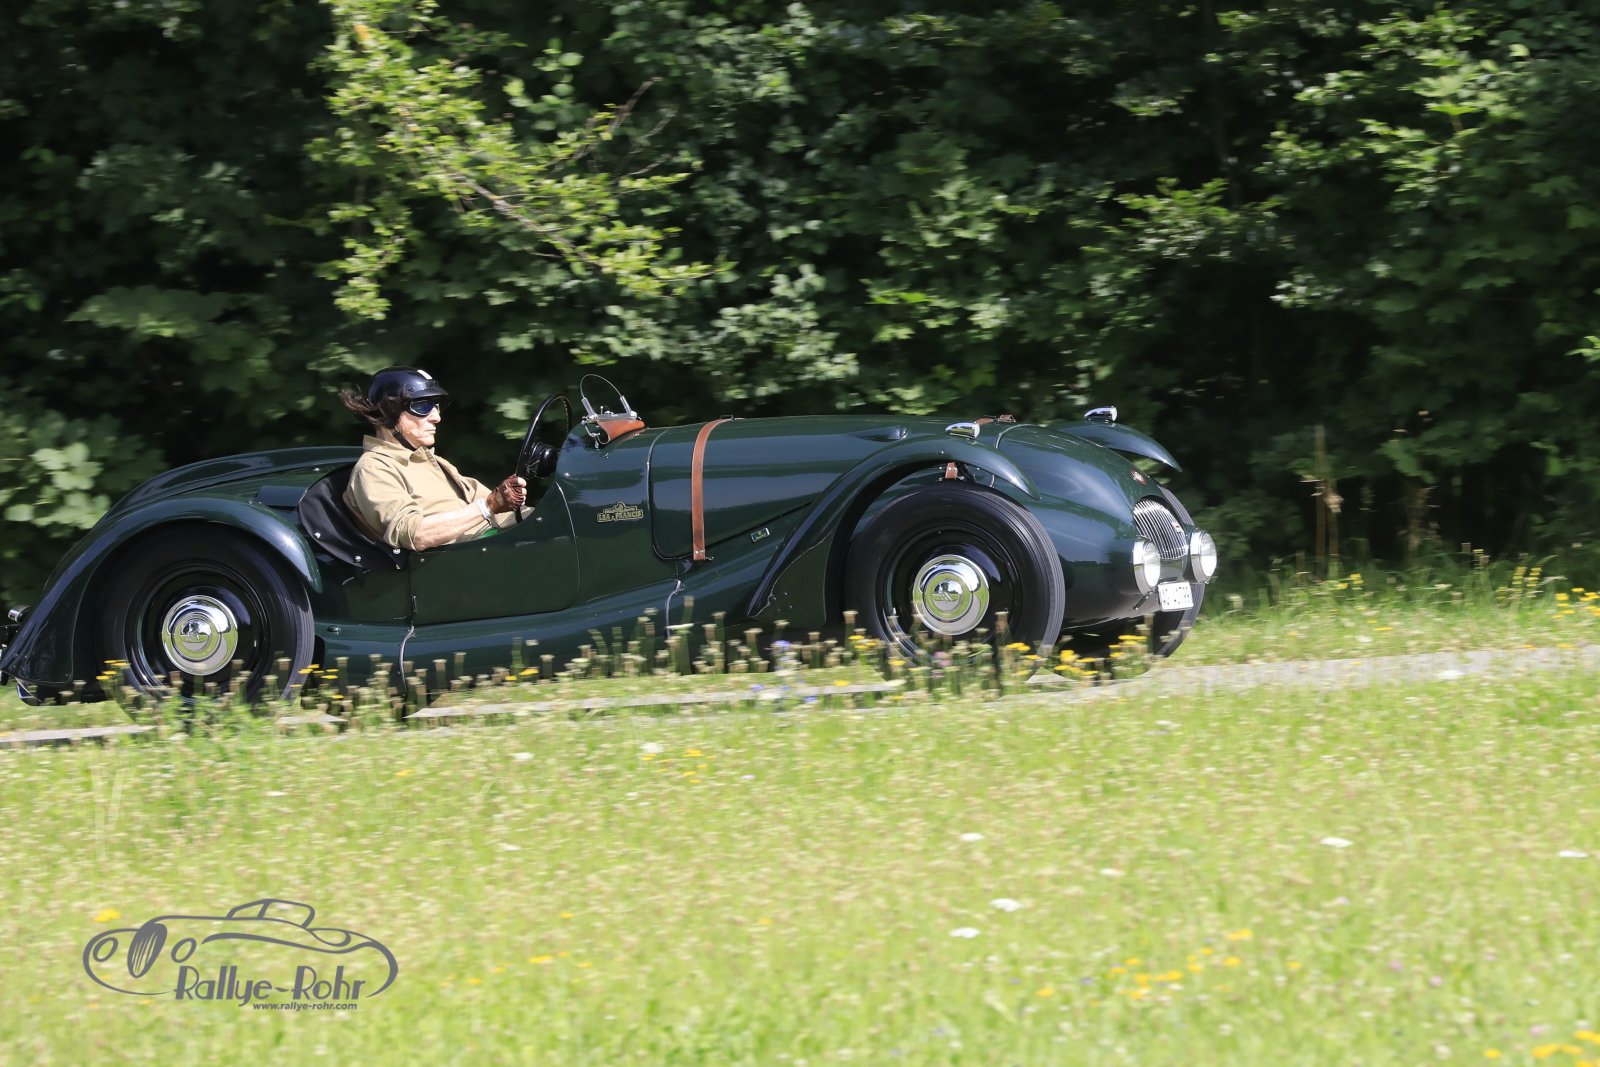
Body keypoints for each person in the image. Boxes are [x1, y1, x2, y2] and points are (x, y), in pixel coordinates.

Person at [337, 367, 527, 551]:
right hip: (461, 563)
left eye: (436, 406)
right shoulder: (374, 468)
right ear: (387, 413)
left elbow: (502, 511)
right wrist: (489, 505)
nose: (436, 417)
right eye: (422, 406)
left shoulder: (428, 460)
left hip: (495, 547)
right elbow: (415, 534)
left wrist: (538, 516)